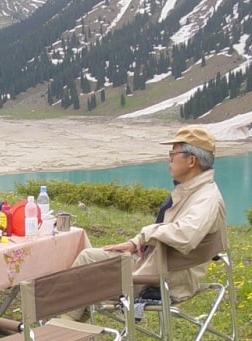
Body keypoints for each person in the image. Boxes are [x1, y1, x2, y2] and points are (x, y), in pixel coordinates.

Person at [63, 124, 227, 322]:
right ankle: (63, 330)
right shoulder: (192, 190)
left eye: (173, 153)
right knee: (87, 258)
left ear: (191, 160)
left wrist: (147, 234)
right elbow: (168, 231)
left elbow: (185, 235)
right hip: (156, 265)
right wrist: (135, 242)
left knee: (86, 275)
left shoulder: (206, 198)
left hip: (165, 278)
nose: (169, 159)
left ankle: (57, 337)